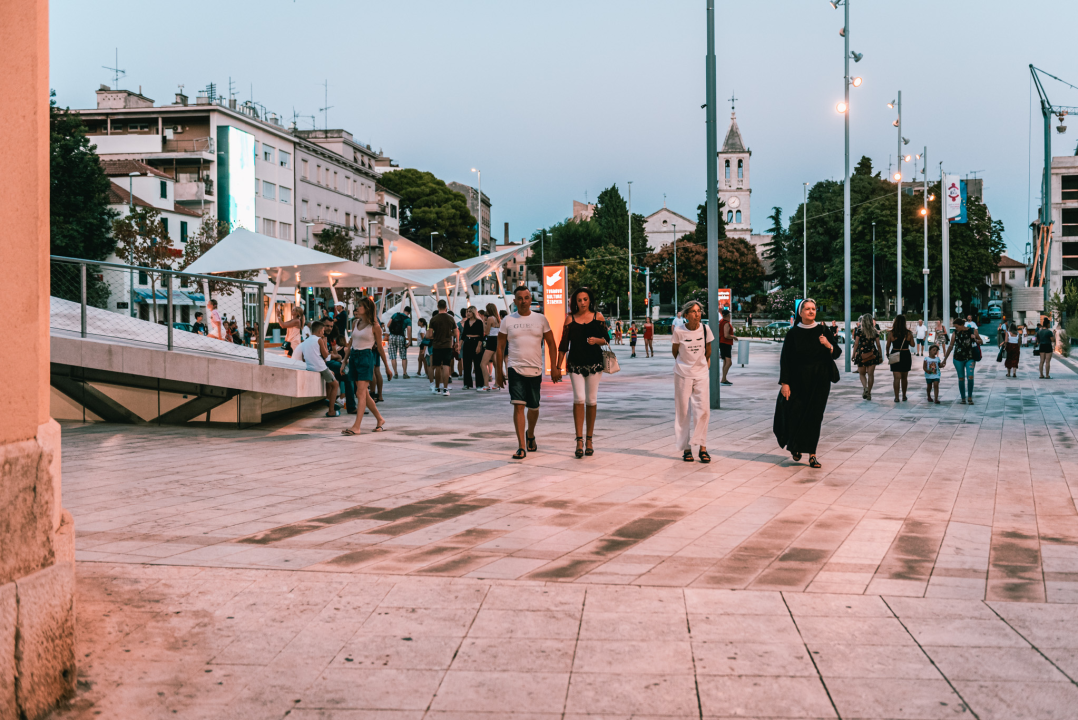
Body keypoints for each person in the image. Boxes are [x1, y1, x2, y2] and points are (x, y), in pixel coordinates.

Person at [775, 298, 840, 468]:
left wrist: (828, 345)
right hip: (797, 381)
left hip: (820, 381)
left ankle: (812, 454)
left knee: (815, 417)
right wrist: (785, 383)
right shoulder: (793, 333)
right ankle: (795, 446)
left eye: (814, 309)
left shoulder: (823, 330)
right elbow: (785, 359)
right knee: (795, 413)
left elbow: (837, 352)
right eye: (808, 309)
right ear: (800, 312)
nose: (811, 311)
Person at [497, 286, 560, 460]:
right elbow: (500, 347)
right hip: (515, 368)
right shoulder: (507, 320)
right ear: (515, 301)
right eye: (520, 298)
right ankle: (521, 447)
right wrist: (498, 371)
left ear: (530, 299)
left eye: (526, 298)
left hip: (535, 369)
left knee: (534, 407)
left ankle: (530, 433)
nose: (523, 301)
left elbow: (551, 344)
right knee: (518, 405)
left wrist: (554, 367)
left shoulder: (540, 319)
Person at [557, 287, 610, 458]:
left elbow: (607, 340)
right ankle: (579, 440)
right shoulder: (569, 319)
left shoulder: (597, 317)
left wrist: (596, 340)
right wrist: (558, 366)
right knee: (579, 398)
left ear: (590, 300)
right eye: (579, 300)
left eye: (585, 299)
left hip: (594, 363)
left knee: (591, 400)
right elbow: (563, 346)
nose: (582, 303)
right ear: (575, 302)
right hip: (575, 364)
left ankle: (589, 440)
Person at [672, 301, 713, 463]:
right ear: (686, 315)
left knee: (702, 410)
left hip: (701, 373)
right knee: (683, 410)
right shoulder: (679, 330)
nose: (697, 314)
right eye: (694, 312)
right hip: (682, 374)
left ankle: (702, 447)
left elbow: (708, 350)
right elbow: (675, 351)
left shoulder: (705, 329)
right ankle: (686, 449)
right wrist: (685, 365)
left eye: (699, 311)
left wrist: (700, 365)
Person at [341, 296, 388, 435]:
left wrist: (387, 366)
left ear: (367, 308)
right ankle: (380, 419)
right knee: (364, 393)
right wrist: (344, 361)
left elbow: (380, 348)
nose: (357, 308)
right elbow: (351, 344)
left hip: (366, 358)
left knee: (360, 392)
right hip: (354, 357)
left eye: (360, 305)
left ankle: (356, 426)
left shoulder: (375, 326)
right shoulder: (356, 322)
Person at [295, 320, 340, 417]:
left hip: (310, 367)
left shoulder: (306, 341)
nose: (323, 333)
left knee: (331, 373)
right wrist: (324, 343)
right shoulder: (319, 340)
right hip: (320, 367)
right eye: (323, 331)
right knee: (335, 385)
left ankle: (328, 398)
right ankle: (331, 411)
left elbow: (304, 357)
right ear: (320, 331)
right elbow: (325, 355)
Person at [941, 316, 982, 404]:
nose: (956, 329)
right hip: (958, 358)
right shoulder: (955, 333)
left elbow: (981, 341)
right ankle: (963, 398)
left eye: (957, 327)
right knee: (961, 378)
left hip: (970, 358)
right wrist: (945, 359)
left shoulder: (972, 331)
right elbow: (951, 346)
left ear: (962, 325)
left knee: (970, 376)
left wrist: (974, 338)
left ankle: (970, 397)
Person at [427, 300, 458, 396]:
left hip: (436, 345)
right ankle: (445, 389)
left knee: (437, 367)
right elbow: (456, 332)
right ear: (446, 307)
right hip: (447, 345)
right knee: (446, 367)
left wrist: (435, 336)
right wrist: (449, 335)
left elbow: (429, 335)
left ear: (437, 306)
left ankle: (437, 388)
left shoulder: (433, 319)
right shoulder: (451, 318)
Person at [853, 313, 882, 400]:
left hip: (861, 355)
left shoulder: (859, 331)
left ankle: (865, 387)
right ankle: (869, 393)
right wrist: (880, 356)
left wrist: (853, 354)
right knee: (871, 375)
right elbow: (878, 345)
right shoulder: (874, 331)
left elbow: (856, 344)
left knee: (862, 374)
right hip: (872, 354)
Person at [886, 314, 914, 402]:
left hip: (894, 353)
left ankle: (896, 397)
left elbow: (888, 345)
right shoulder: (908, 333)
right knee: (904, 377)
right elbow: (913, 344)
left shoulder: (892, 333)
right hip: (905, 354)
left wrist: (887, 354)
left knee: (896, 378)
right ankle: (904, 396)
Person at [460, 306, 485, 390]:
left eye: (470, 311)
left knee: (477, 364)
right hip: (467, 343)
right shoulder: (466, 322)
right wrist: (459, 345)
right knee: (466, 364)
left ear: (474, 312)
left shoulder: (479, 322)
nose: (468, 313)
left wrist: (478, 346)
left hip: (476, 342)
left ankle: (479, 384)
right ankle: (467, 384)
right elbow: (463, 335)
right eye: (467, 312)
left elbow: (481, 336)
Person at [480, 303, 502, 391]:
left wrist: (483, 323)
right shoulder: (498, 319)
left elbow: (487, 331)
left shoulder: (490, 318)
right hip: (498, 340)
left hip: (491, 340)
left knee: (483, 363)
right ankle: (497, 384)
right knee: (496, 364)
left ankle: (486, 385)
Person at [718, 308, 735, 385]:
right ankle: (723, 378)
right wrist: (733, 337)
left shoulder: (721, 322)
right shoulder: (726, 323)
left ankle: (724, 378)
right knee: (729, 362)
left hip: (722, 343)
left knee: (725, 361)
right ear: (728, 315)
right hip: (726, 343)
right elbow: (726, 335)